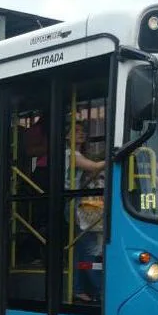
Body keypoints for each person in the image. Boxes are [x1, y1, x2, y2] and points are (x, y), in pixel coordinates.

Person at [64, 121, 106, 303]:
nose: (81, 134)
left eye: (83, 131)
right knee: (91, 249)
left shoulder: (77, 154)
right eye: (77, 131)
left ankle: (78, 288)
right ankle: (100, 291)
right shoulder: (70, 154)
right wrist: (115, 157)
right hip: (75, 205)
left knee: (80, 250)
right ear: (67, 136)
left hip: (75, 203)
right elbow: (95, 168)